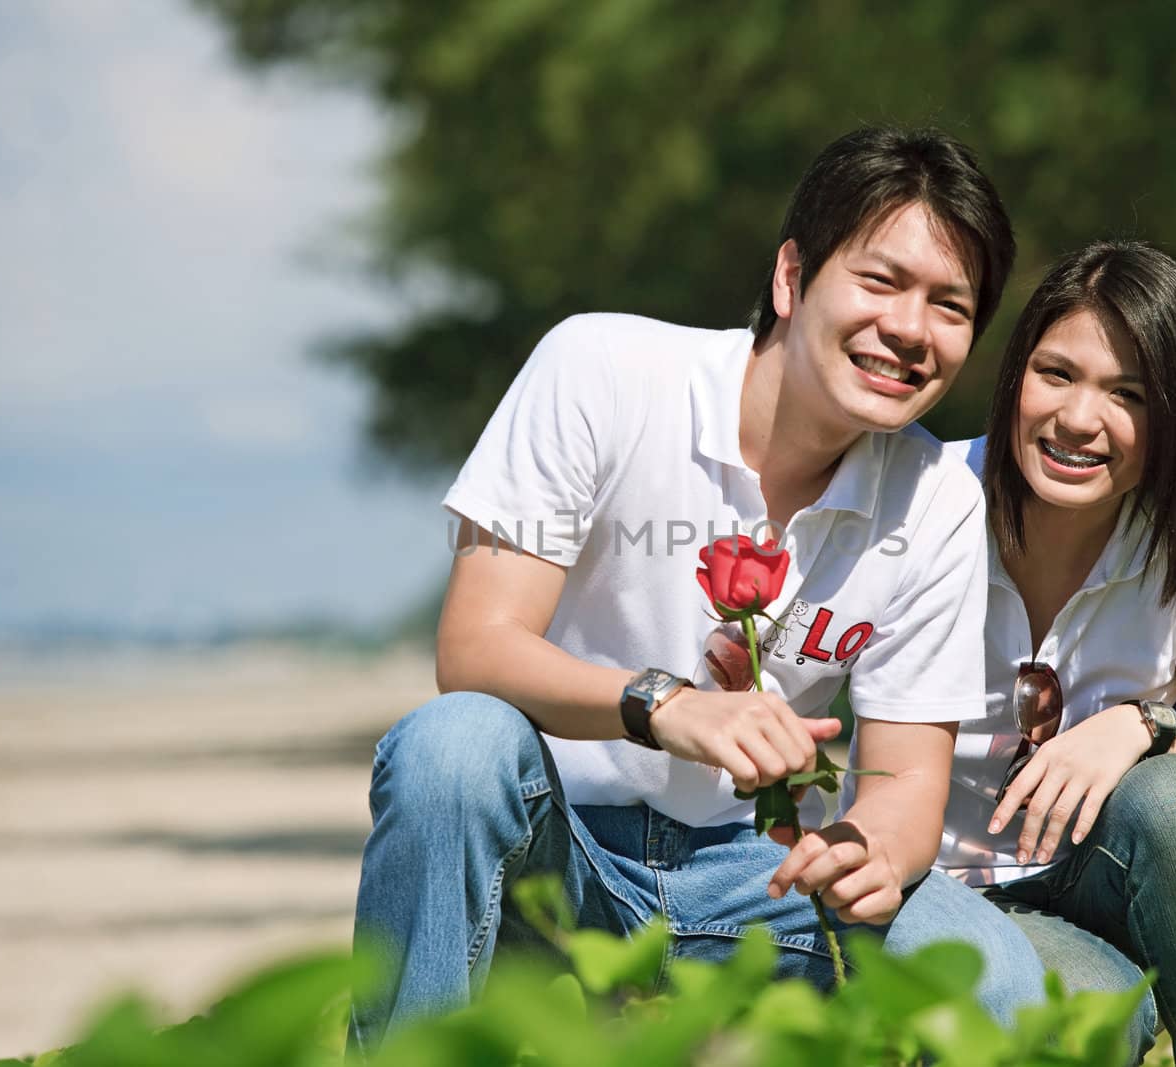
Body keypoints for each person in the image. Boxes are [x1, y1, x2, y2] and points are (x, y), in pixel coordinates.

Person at [347, 126, 1047, 1052]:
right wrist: (662, 705)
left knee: (999, 985)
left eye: (950, 306)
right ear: (793, 279)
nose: (911, 330)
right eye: (880, 282)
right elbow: (474, 648)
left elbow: (908, 779)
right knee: (452, 747)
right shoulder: (600, 369)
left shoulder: (942, 502)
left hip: (757, 880)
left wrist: (870, 848)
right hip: (558, 855)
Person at [935, 240, 1176, 1067]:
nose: (1077, 418)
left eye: (1128, 394)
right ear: (1014, 377)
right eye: (1056, 373)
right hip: (929, 890)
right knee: (1082, 1026)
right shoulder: (919, 506)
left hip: (1100, 883)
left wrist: (1150, 727)